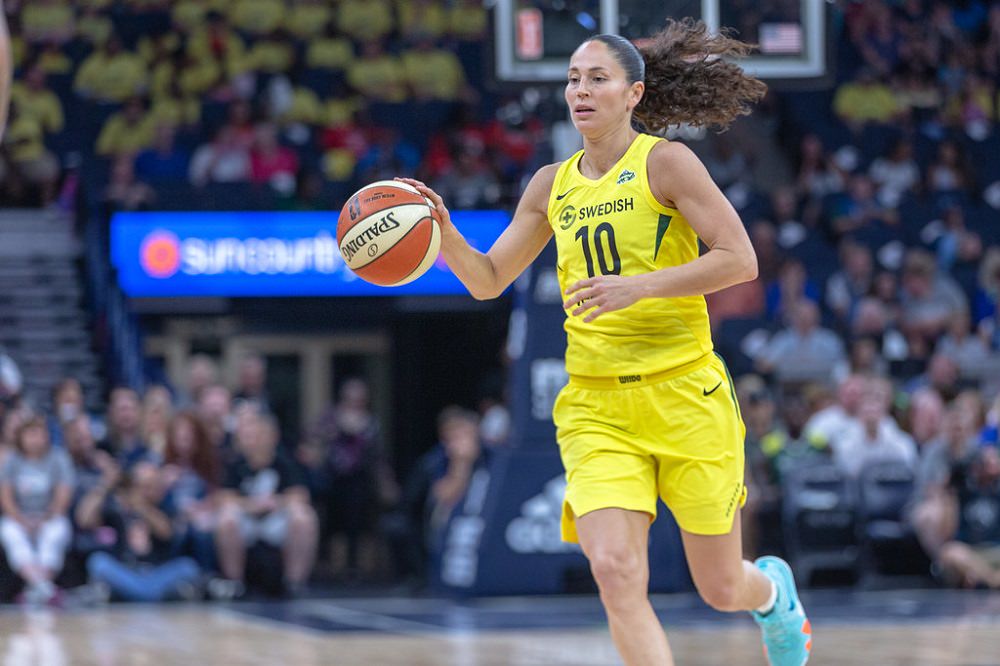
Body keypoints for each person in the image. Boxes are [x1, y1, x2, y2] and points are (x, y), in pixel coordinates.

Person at [398, 20, 811, 666]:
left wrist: (639, 287)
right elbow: (488, 280)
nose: (580, 91)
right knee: (617, 572)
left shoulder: (667, 162)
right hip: (596, 408)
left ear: (634, 95)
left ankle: (773, 593)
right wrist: (445, 234)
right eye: (572, 79)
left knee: (722, 585)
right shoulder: (549, 184)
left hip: (683, 395)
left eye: (597, 79)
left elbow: (739, 260)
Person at [0, 417, 75, 605]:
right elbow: (6, 496)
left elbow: (63, 495)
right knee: (10, 533)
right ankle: (45, 589)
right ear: (21, 437)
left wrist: (45, 518)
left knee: (54, 533)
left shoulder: (58, 458)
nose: (35, 438)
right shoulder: (12, 460)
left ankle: (35, 590)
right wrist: (21, 520)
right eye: (30, 433)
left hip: (49, 516)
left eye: (39, 433)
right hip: (19, 517)